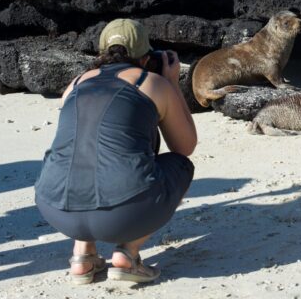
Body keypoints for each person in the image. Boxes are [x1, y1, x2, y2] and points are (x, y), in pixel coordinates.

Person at [34, 19, 197, 284]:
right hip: (122, 215)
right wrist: (172, 83)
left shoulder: (76, 83)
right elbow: (184, 147)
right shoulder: (151, 82)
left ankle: (82, 256)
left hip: (55, 209)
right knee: (181, 166)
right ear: (147, 58)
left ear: (101, 54)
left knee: (83, 153)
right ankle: (127, 255)